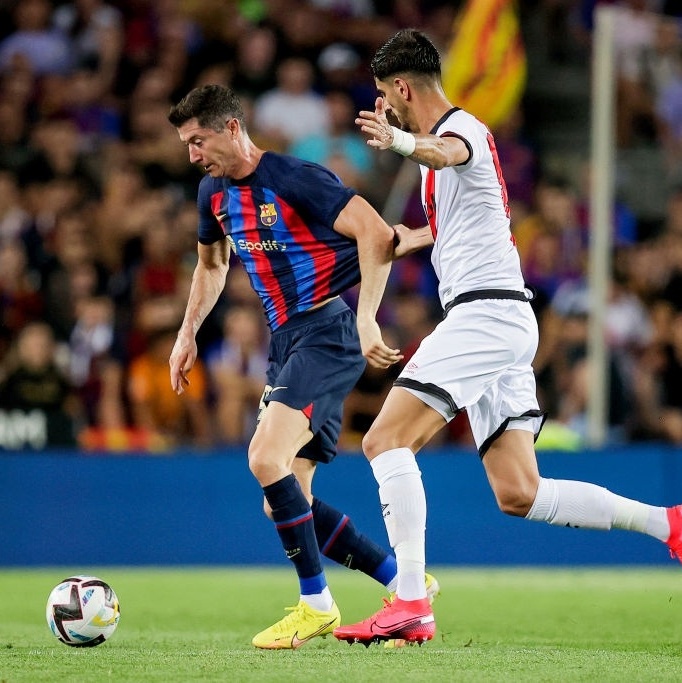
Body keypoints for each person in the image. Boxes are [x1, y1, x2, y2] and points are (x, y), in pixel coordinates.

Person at [332, 28, 682, 647]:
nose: (382, 105)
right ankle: (667, 524)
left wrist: (401, 141)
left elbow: (445, 152)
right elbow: (445, 227)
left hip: (484, 317)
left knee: (385, 439)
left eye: (386, 94)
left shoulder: (462, 130)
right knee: (520, 492)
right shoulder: (442, 163)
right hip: (503, 319)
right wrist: (397, 239)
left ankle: (411, 601)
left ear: (403, 88)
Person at [166, 84, 438, 650]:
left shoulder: (293, 177)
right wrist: (187, 332)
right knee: (284, 499)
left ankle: (316, 603)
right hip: (287, 343)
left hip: (326, 333)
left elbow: (375, 232)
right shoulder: (211, 194)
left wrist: (367, 321)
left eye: (198, 141)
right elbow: (212, 265)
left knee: (264, 457)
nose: (192, 154)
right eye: (186, 144)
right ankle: (406, 585)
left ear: (232, 128)